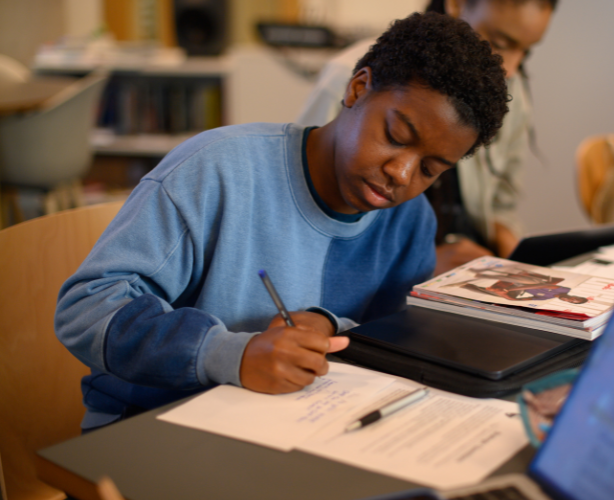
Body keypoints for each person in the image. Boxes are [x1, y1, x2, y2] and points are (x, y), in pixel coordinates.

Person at [54, 12, 509, 431]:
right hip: (152, 424)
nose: (402, 175)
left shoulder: (408, 220)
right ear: (357, 89)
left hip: (297, 427)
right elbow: (86, 308)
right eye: (395, 137)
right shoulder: (217, 170)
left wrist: (331, 328)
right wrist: (230, 353)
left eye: (430, 169)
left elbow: (389, 338)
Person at [297, 0, 557, 275]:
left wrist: (513, 262)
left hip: (467, 261)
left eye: (430, 168)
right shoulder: (371, 75)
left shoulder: (506, 95)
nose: (511, 70)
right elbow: (312, 192)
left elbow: (503, 206)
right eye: (500, 43)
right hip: (384, 264)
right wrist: (420, 263)